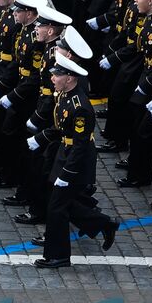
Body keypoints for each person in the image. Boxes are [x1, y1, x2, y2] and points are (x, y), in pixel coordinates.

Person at [34, 53, 119, 268]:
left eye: (57, 75)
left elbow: (80, 145)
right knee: (65, 204)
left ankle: (59, 256)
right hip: (65, 153)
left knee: (57, 207)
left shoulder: (80, 107)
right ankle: (104, 223)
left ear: (70, 78)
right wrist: (39, 138)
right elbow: (61, 127)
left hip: (76, 160)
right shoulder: (64, 95)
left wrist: (67, 174)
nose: (52, 78)